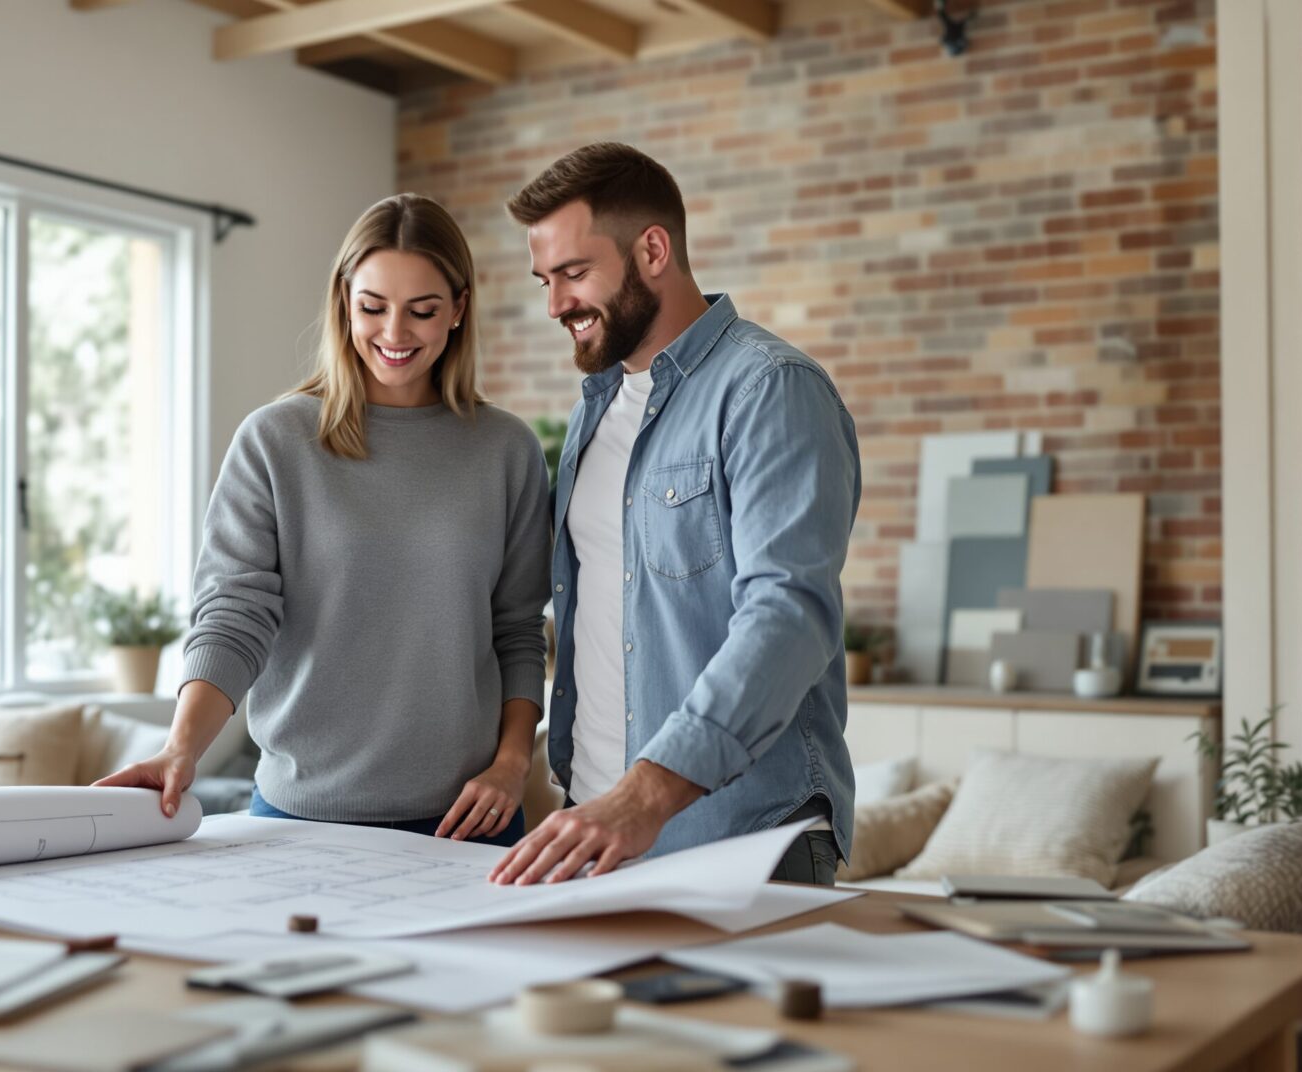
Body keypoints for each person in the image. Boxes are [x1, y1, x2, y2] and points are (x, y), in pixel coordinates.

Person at [97, 193, 552, 847]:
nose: (394, 334)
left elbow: (517, 633)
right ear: (344, 302)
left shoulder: (505, 450)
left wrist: (513, 766)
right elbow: (234, 614)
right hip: (301, 818)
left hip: (469, 823)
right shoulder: (275, 441)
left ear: (458, 309)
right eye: (373, 307)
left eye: (422, 311)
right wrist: (181, 750)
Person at [489, 142, 859, 885]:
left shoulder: (768, 390)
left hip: (741, 840)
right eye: (545, 280)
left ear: (653, 249)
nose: (555, 303)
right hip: (595, 832)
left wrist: (645, 794)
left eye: (573, 273)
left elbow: (789, 616)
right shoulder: (592, 412)